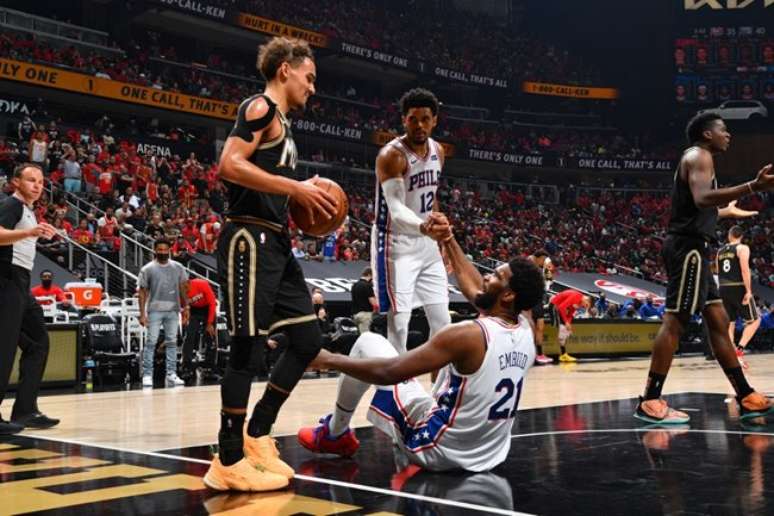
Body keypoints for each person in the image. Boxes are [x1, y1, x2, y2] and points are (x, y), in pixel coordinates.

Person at [297, 216, 545, 471]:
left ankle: (334, 434)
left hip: (436, 448)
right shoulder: (525, 328)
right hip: (487, 455)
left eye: (495, 276)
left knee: (368, 342)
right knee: (439, 391)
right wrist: (448, 240)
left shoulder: (467, 335)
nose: (485, 277)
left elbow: (388, 372)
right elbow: (476, 290)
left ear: (508, 295)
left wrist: (328, 359)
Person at [205, 36, 339, 492]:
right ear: (286, 69)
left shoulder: (283, 122)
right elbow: (229, 165)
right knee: (247, 347)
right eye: (309, 77)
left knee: (307, 339)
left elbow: (269, 178)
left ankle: (257, 432)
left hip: (276, 241)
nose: (313, 87)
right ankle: (227, 458)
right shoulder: (259, 107)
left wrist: (300, 187)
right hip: (248, 237)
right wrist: (294, 188)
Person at [634, 112, 774, 425]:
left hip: (695, 247)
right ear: (707, 134)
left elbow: (697, 207)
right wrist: (752, 186)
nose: (729, 135)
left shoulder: (698, 158)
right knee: (675, 320)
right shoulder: (700, 156)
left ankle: (745, 395)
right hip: (688, 250)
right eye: (724, 129)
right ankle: (650, 400)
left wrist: (724, 212)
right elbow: (702, 199)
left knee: (718, 321)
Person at [371, 88, 452, 358]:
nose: (419, 125)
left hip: (426, 242)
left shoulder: (438, 151)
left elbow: (431, 197)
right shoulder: (391, 155)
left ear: (434, 120)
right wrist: (424, 228)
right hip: (395, 242)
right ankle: (397, 381)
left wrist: (439, 237)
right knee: (399, 322)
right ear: (403, 120)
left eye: (425, 119)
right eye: (413, 119)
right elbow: (395, 209)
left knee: (443, 321)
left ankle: (441, 380)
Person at [0, 163, 60, 434]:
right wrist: (29, 232)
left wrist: (40, 234)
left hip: (21, 282)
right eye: (31, 180)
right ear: (16, 182)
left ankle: (25, 410)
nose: (37, 185)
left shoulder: (28, 211)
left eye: (41, 181)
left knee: (38, 342)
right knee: (4, 348)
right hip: (6, 279)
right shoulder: (11, 205)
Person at [137, 238, 189, 389]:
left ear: (170, 250)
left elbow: (184, 288)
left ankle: (171, 374)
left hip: (173, 309)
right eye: (159, 249)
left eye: (165, 249)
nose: (163, 252)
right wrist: (142, 314)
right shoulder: (147, 269)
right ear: (155, 250)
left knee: (172, 342)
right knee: (151, 342)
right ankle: (147, 374)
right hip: (154, 310)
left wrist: (186, 307)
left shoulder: (178, 267)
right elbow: (142, 292)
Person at [717, 226, 760, 366]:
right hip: (738, 286)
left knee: (730, 323)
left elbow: (719, 272)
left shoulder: (720, 251)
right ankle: (739, 351)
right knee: (755, 321)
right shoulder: (742, 248)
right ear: (741, 236)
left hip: (723, 287)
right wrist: (748, 291)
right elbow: (744, 270)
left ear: (730, 235)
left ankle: (732, 356)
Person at [181, 277, 218, 380]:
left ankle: (209, 368)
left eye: (185, 287)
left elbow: (212, 303)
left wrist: (209, 323)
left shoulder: (202, 284)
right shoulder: (180, 292)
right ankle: (186, 367)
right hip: (194, 311)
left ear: (188, 283)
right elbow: (183, 308)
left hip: (207, 308)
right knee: (189, 336)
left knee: (211, 337)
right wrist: (184, 318)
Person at [549, 289, 590, 362]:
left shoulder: (579, 302)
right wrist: (566, 322)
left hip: (558, 307)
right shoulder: (577, 297)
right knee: (562, 330)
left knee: (564, 330)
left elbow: (570, 314)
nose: (584, 307)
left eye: (585, 307)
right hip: (554, 306)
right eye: (586, 305)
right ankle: (562, 354)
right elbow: (561, 307)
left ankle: (563, 354)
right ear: (586, 299)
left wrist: (568, 325)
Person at [528, 250, 552, 364]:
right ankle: (534, 354)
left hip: (537, 300)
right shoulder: (530, 262)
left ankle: (539, 354)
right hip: (531, 301)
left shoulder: (538, 268)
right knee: (533, 328)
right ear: (540, 257)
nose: (544, 262)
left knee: (540, 327)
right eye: (544, 260)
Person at [351, 266, 377, 334]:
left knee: (359, 336)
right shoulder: (367, 285)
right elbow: (373, 302)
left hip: (356, 315)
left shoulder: (354, 285)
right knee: (365, 336)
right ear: (369, 274)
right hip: (365, 315)